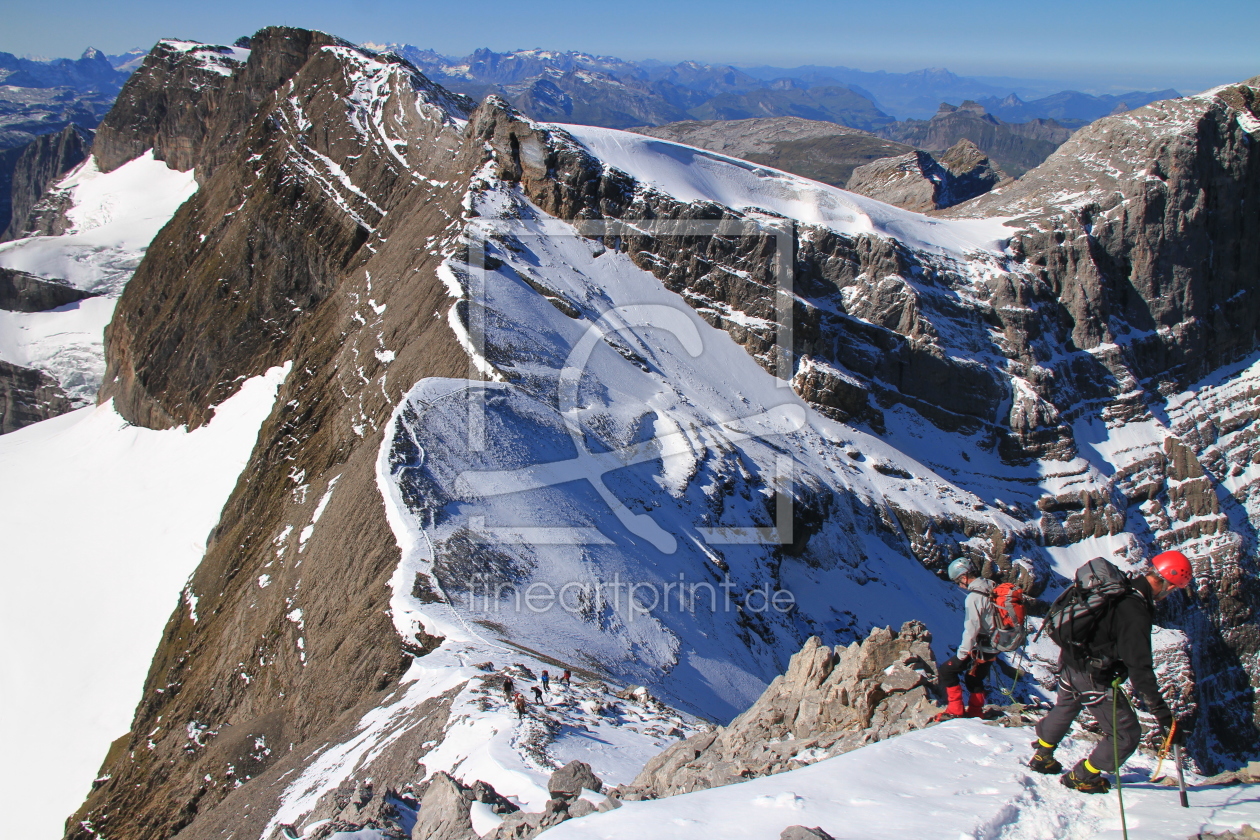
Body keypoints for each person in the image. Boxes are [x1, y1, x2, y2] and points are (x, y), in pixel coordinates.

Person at [1030, 550, 1193, 794]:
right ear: (1168, 585)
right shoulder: (1136, 612)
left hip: (1071, 662)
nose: (1170, 595)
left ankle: (1042, 755)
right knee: (1126, 734)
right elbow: (1141, 670)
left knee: (1066, 707)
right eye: (1174, 589)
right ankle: (1082, 776)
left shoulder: (1121, 588)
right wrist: (1165, 719)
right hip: (1092, 675)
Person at [935, 558, 1001, 720]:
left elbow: (972, 628)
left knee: (947, 671)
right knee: (974, 676)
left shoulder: (974, 598)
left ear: (964, 577)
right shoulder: (991, 586)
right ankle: (975, 711)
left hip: (981, 644)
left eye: (958, 581)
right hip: (996, 643)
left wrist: (963, 653)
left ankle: (955, 709)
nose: (959, 585)